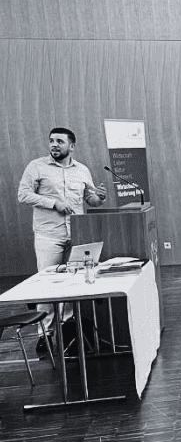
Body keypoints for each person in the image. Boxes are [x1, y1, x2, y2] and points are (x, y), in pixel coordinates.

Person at [17, 127, 107, 335]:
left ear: (72, 146)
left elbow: (90, 200)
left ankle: (66, 329)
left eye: (59, 141)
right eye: (51, 141)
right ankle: (45, 334)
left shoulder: (82, 170)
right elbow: (23, 195)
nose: (54, 145)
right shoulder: (36, 167)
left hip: (76, 234)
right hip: (49, 234)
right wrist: (52, 203)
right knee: (48, 283)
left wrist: (99, 198)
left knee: (72, 281)